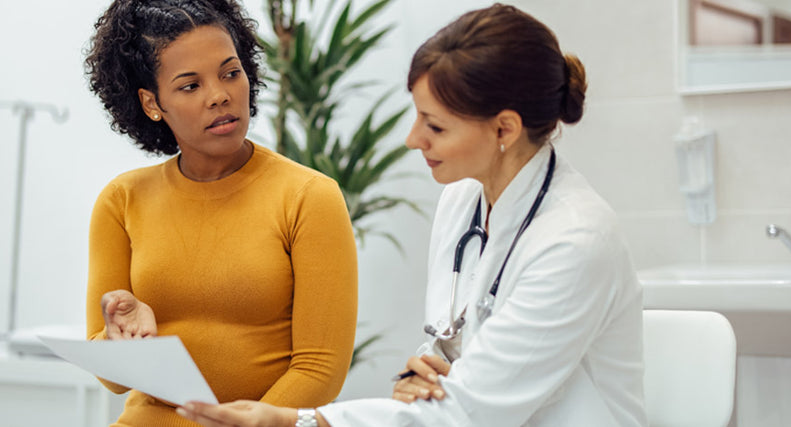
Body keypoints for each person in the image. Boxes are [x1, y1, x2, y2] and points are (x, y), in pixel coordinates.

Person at [176, 4, 648, 427]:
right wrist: (417, 374)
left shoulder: (576, 242)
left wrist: (295, 421)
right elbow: (448, 347)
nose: (412, 138)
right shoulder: (463, 200)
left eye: (435, 125)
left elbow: (468, 410)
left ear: (505, 128)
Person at [83, 0, 359, 425]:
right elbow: (112, 379)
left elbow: (320, 367)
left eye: (231, 73)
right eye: (190, 86)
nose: (221, 95)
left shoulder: (309, 197)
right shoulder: (121, 201)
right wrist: (122, 342)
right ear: (152, 103)